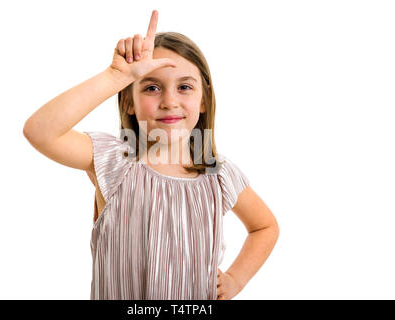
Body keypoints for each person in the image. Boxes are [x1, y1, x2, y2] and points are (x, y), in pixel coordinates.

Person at [23, 9, 279, 300]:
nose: (170, 102)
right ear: (129, 102)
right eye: (152, 87)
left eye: (184, 87)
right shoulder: (115, 162)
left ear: (204, 100)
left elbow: (265, 226)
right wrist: (115, 76)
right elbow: (40, 131)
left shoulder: (218, 174)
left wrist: (235, 279)